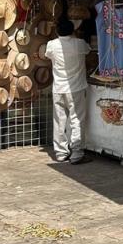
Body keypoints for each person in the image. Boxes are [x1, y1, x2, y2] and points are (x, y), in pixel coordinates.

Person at [45, 18, 92, 164]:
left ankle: (60, 152)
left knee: (59, 121)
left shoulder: (51, 45)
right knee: (76, 119)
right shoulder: (79, 44)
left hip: (58, 88)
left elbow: (47, 55)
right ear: (73, 30)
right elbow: (89, 50)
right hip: (76, 88)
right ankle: (77, 153)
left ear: (57, 31)